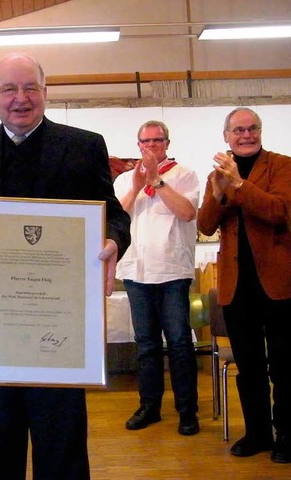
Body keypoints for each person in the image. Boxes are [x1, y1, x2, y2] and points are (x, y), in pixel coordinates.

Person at [0, 53, 131, 480]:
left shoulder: (84, 146)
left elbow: (116, 215)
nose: (20, 98)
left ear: (45, 93)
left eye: (30, 87)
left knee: (63, 451)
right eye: (9, 89)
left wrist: (112, 239)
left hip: (60, 332)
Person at [198, 107, 291, 463]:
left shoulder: (282, 166)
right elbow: (206, 225)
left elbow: (277, 211)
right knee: (249, 366)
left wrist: (239, 185)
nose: (246, 135)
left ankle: (286, 434)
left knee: (284, 365)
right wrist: (220, 193)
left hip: (278, 284)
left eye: (252, 128)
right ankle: (258, 432)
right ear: (227, 136)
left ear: (260, 131)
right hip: (237, 287)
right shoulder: (217, 175)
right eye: (238, 130)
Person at [114, 120, 200, 435]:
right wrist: (138, 184)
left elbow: (188, 213)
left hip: (173, 271)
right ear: (138, 145)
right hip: (136, 271)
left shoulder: (184, 175)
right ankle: (149, 407)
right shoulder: (124, 180)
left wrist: (157, 181)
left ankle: (187, 411)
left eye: (157, 140)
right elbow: (116, 219)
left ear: (167, 143)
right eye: (145, 141)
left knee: (178, 342)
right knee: (146, 344)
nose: (151, 146)